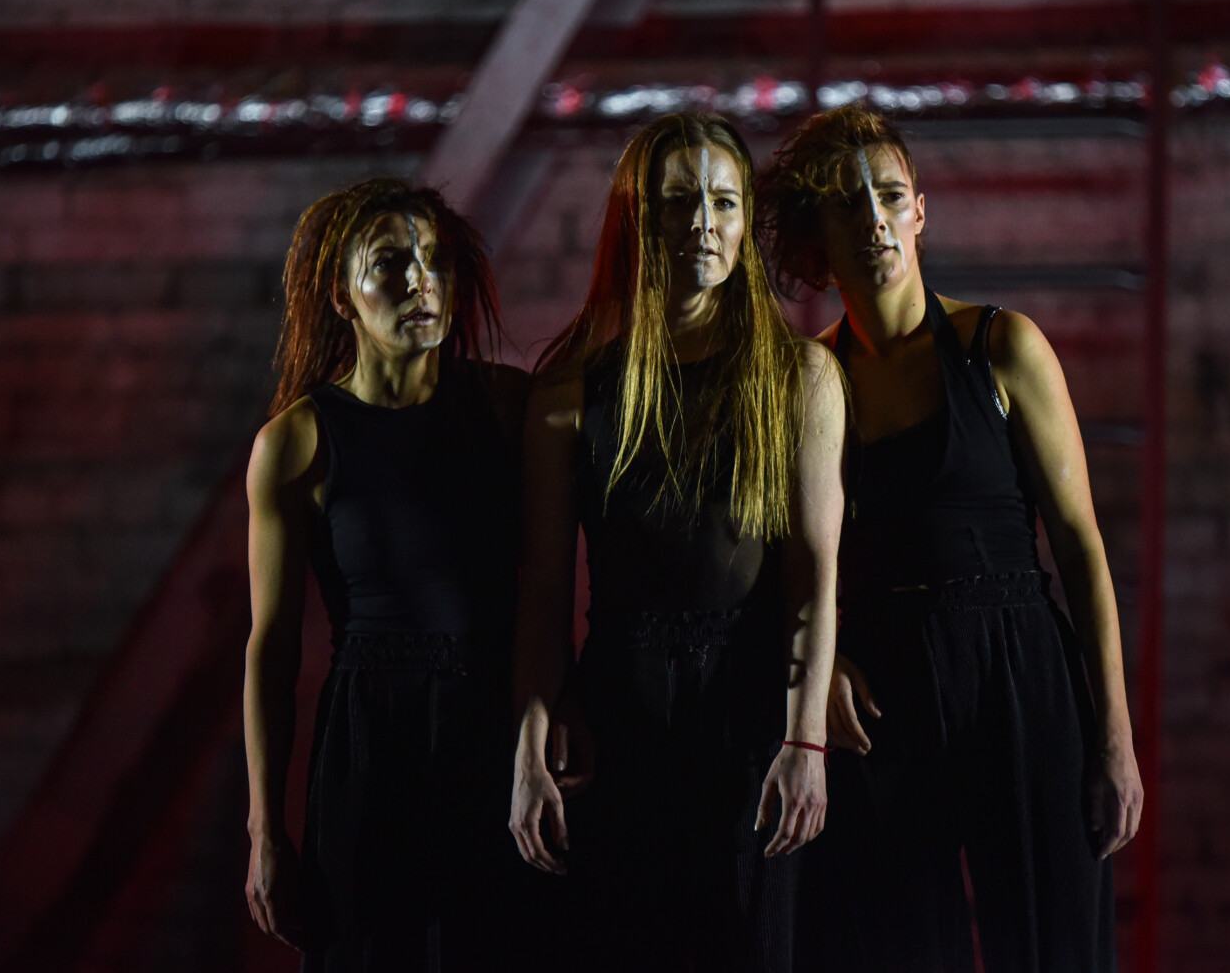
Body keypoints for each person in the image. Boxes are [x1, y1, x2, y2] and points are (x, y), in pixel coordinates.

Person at [760, 104, 1142, 973]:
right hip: (886, 691)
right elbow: (796, 558)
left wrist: (1115, 740)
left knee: (1049, 946)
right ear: (820, 236)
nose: (875, 219)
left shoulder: (1002, 346)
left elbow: (1081, 550)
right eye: (849, 204)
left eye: (890, 196)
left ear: (920, 213)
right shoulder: (814, 380)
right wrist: (825, 665)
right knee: (893, 946)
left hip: (1018, 665)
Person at [508, 113, 846, 972]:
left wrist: (805, 742)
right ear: (641, 218)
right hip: (619, 709)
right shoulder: (570, 389)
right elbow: (543, 590)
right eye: (680, 201)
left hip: (750, 705)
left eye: (725, 202)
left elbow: (814, 576)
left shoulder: (800, 375)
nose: (703, 221)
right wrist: (529, 748)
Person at [242, 178, 528, 971]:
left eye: (434, 259)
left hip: (491, 731)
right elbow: (270, 647)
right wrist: (266, 832)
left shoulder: (506, 405)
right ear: (342, 295)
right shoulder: (298, 441)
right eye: (391, 262)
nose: (420, 281)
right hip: (373, 744)